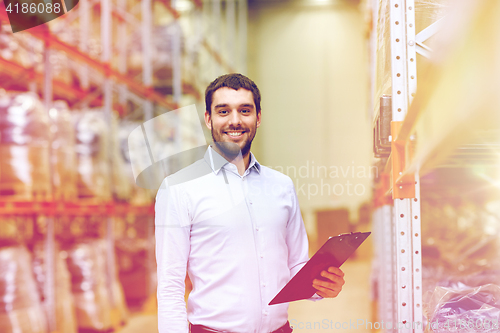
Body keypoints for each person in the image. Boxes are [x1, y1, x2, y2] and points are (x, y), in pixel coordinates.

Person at [155, 73, 345, 333]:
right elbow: (170, 284)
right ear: (208, 119)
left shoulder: (282, 186)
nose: (235, 121)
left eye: (245, 110)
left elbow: (296, 265)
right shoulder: (179, 188)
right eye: (223, 111)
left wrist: (321, 286)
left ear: (258, 117)